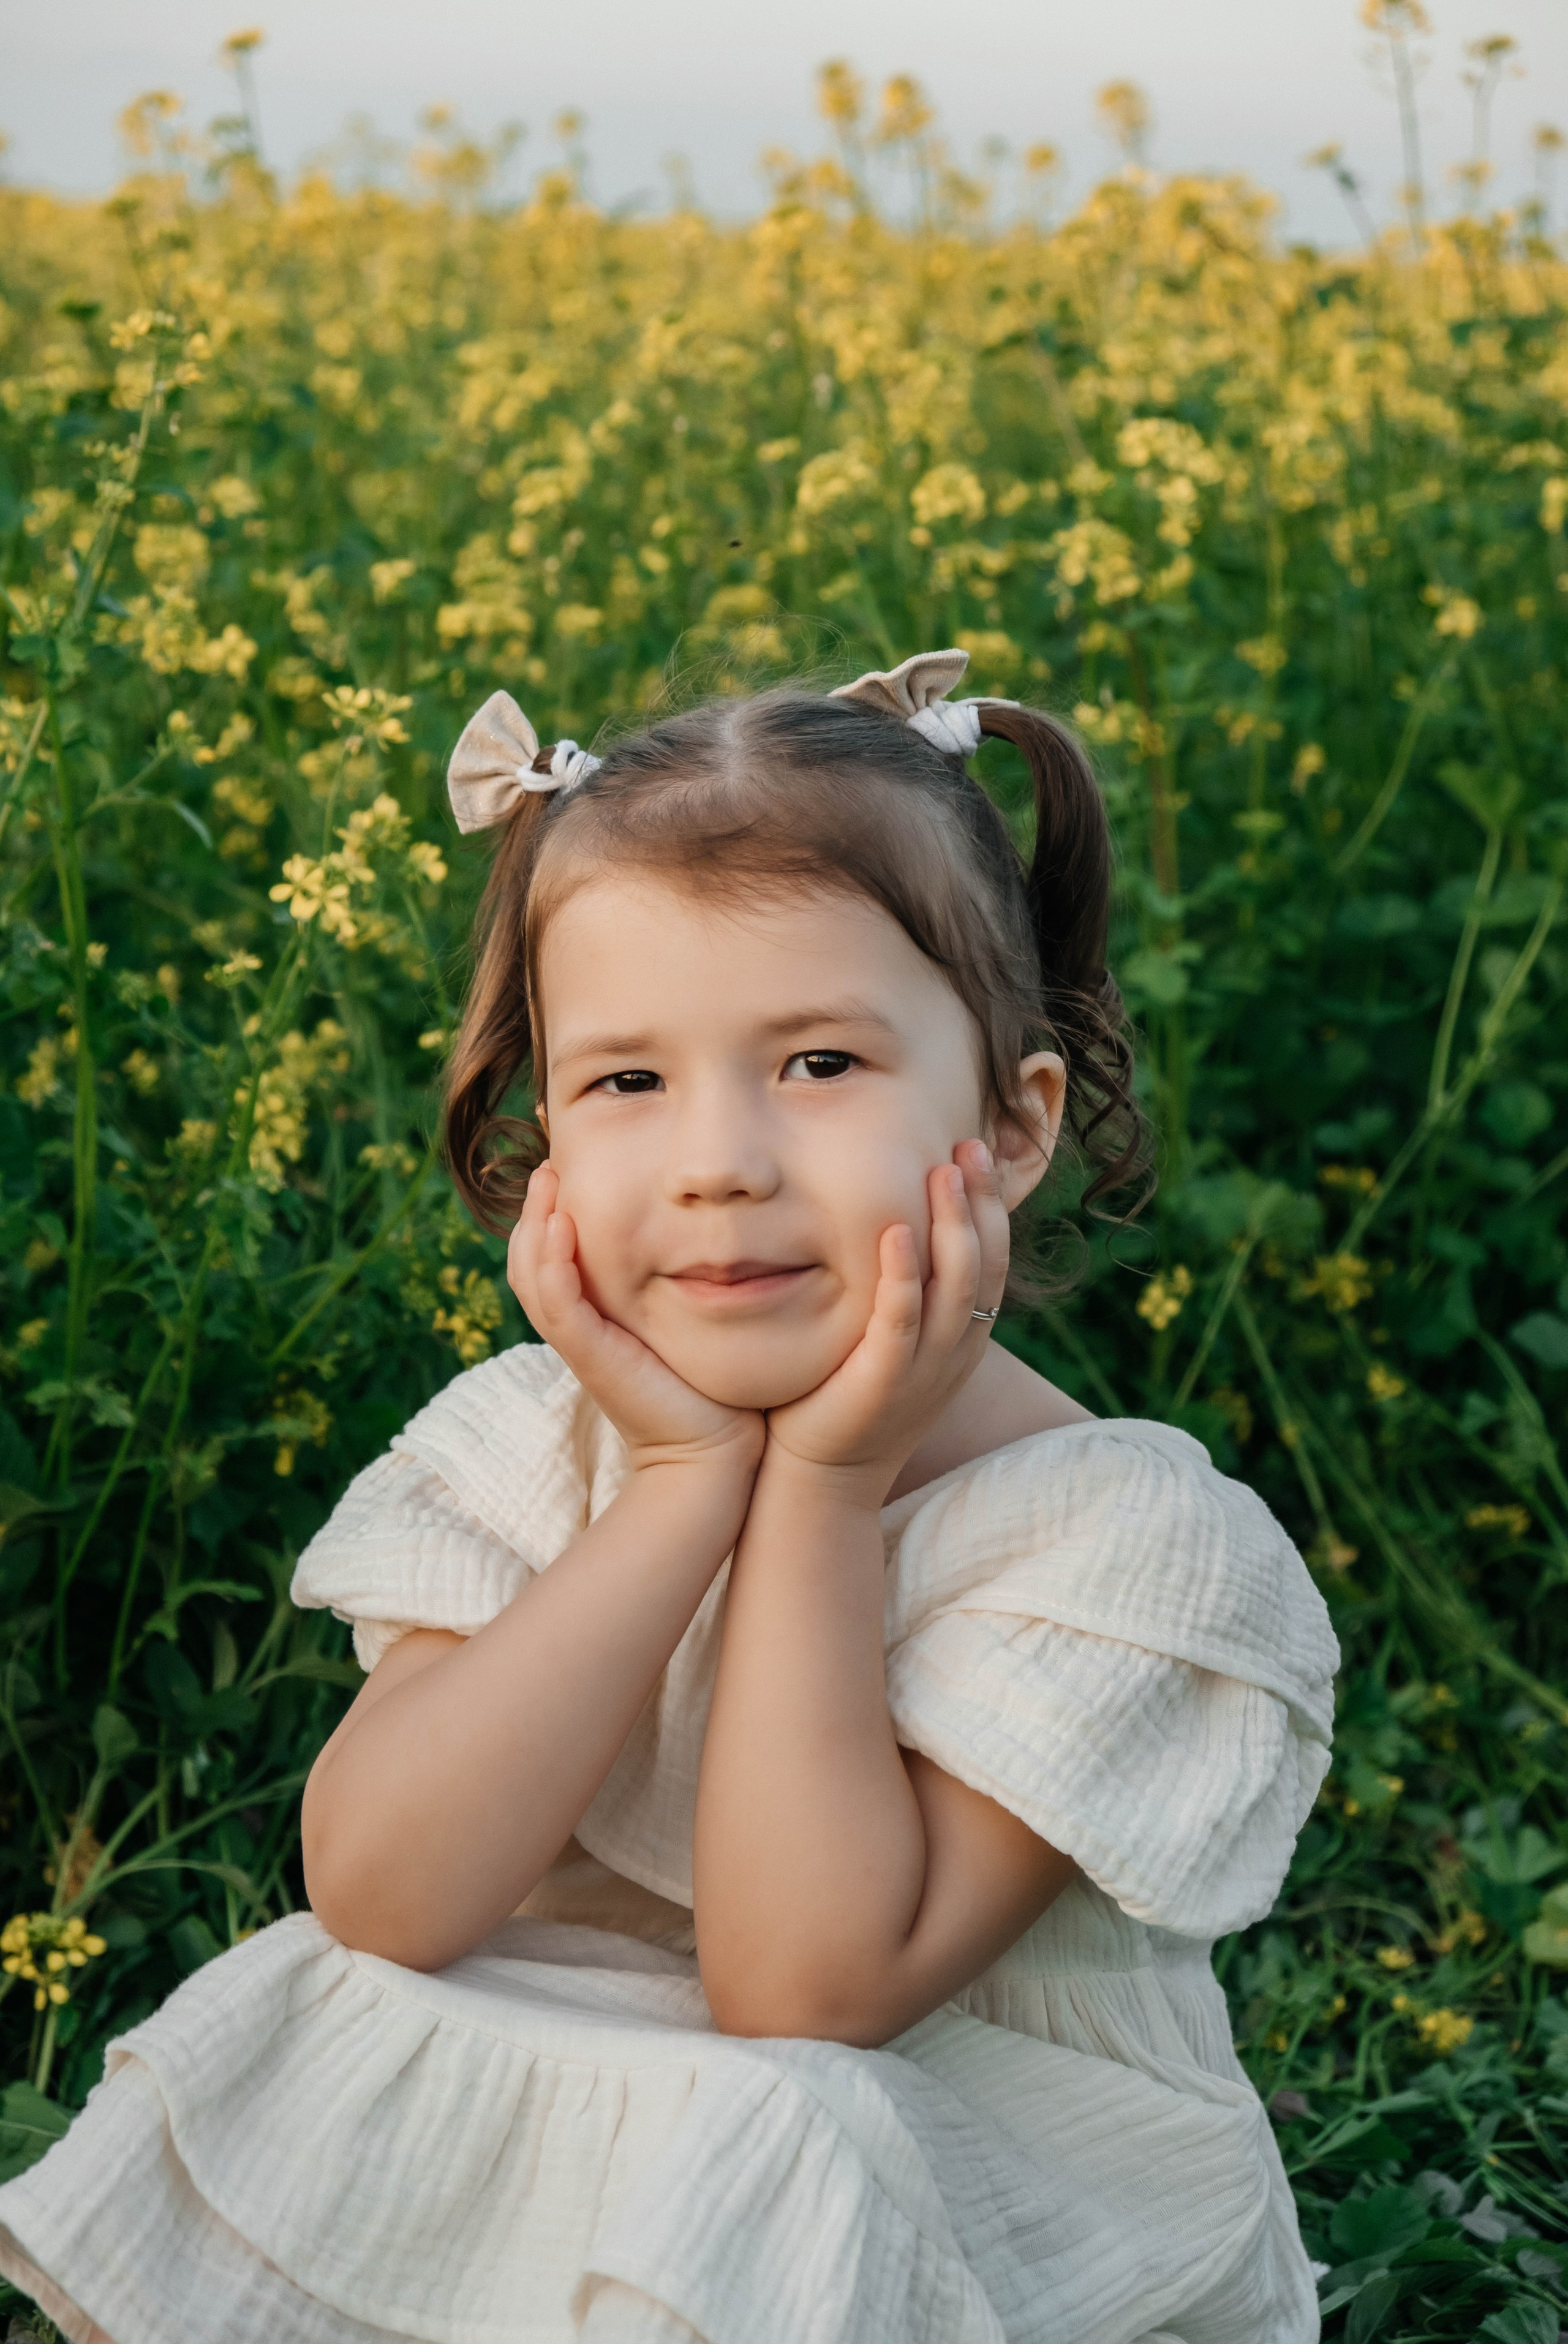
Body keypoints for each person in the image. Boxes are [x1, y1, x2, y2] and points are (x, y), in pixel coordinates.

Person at [0, 649, 1338, 2344]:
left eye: (820, 1066)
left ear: (1010, 1126)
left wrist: (823, 1488)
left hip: (965, 2177)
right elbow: (384, 1893)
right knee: (322, 1996)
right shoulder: (533, 1444)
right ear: (544, 1135)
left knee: (772, 2119)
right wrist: (682, 1486)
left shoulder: (1119, 1540)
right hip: (615, 2089)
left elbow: (801, 1997)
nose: (719, 1161)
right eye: (630, 1082)